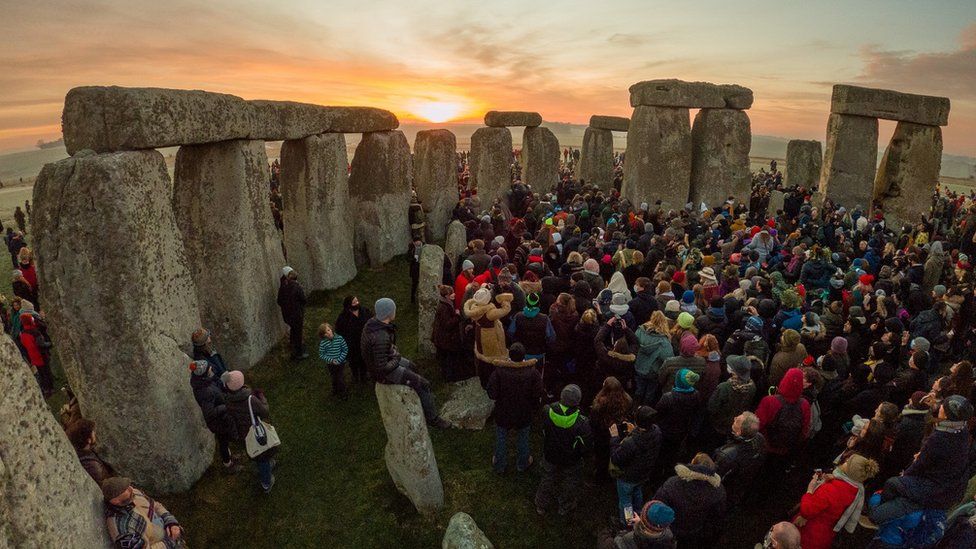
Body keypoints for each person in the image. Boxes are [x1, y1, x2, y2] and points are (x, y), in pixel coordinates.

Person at [868, 395, 972, 527]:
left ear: (945, 415)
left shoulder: (940, 437)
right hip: (948, 488)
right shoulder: (962, 431)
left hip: (933, 490)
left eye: (942, 407)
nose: (940, 407)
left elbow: (919, 465)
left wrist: (905, 475)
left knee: (891, 485)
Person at [362, 297, 450, 428]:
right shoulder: (380, 336)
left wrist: (392, 352)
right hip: (385, 373)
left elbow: (381, 351)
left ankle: (420, 396)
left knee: (412, 366)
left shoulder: (373, 324)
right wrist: (396, 358)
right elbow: (382, 368)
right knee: (424, 384)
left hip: (387, 358)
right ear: (388, 313)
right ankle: (433, 419)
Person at [793, 454, 880, 549]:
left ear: (851, 471)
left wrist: (810, 490)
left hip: (809, 533)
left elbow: (807, 510)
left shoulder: (833, 488)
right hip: (825, 534)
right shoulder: (855, 489)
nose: (845, 461)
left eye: (848, 462)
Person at [535, 384, 592, 516]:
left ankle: (541, 505)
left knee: (547, 478)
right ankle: (564, 506)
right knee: (570, 483)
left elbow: (543, 430)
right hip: (571, 459)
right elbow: (586, 446)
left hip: (550, 453)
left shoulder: (547, 411)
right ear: (577, 401)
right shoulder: (582, 422)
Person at [487, 342, 543, 473]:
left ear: (509, 355)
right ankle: (522, 464)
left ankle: (500, 465)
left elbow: (492, 394)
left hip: (503, 411)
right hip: (524, 411)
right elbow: (538, 392)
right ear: (525, 356)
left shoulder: (499, 372)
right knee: (523, 436)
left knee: (501, 437)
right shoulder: (533, 372)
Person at [653, 452, 727, 548]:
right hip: (694, 533)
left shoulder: (674, 483)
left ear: (692, 464)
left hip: (670, 528)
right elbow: (717, 518)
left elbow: (657, 504)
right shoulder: (718, 490)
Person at [223, 370, 278, 492]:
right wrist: (262, 398)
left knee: (255, 453)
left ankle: (265, 466)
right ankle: (266, 483)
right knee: (262, 456)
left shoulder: (227, 401)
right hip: (256, 433)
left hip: (243, 435)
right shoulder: (250, 399)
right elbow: (265, 412)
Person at [610, 405, 662, 523]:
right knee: (637, 492)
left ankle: (628, 522)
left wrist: (614, 439)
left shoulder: (631, 442)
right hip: (644, 474)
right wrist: (634, 431)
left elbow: (616, 458)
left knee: (626, 501)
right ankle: (638, 513)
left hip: (628, 477)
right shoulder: (657, 432)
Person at [188, 359, 240, 473]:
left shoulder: (203, 382)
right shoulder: (205, 391)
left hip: (220, 418)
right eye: (209, 369)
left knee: (224, 441)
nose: (211, 369)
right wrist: (225, 407)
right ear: (204, 373)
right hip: (218, 422)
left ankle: (229, 456)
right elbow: (209, 413)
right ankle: (228, 464)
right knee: (223, 441)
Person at [102, 477, 185, 548]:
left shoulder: (133, 493)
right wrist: (169, 543)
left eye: (128, 486)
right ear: (115, 501)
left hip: (165, 531)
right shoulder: (122, 531)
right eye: (125, 490)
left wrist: (170, 522)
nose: (131, 489)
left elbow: (155, 505)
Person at [756, 368, 810, 463]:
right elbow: (804, 431)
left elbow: (758, 425)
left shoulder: (769, 401)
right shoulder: (805, 404)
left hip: (766, 447)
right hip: (788, 449)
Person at [712, 411, 765, 507]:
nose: (734, 418)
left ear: (739, 432)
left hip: (727, 490)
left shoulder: (727, 455)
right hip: (742, 486)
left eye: (737, 421)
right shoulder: (760, 438)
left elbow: (716, 479)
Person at [598, 500, 677, 549]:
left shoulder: (626, 541)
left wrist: (606, 532)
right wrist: (640, 524)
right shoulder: (669, 538)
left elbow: (604, 544)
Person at [432, 284, 466, 382]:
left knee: (447, 358)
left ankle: (447, 376)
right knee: (448, 359)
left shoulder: (446, 304)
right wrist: (457, 316)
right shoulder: (444, 307)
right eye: (452, 293)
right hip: (445, 339)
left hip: (442, 338)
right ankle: (448, 378)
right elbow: (447, 325)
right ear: (447, 295)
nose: (454, 294)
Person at [66, 419, 116, 484]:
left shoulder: (78, 451)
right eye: (93, 432)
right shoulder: (93, 467)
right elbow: (106, 484)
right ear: (88, 440)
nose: (95, 433)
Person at [335, 296, 371, 384]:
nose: (357, 303)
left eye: (357, 301)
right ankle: (355, 376)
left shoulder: (365, 311)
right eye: (354, 302)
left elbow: (371, 322)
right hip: (351, 344)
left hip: (364, 341)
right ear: (348, 305)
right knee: (353, 361)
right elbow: (339, 331)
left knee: (364, 359)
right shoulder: (343, 317)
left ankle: (363, 376)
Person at [277, 266, 308, 360]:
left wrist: (286, 307)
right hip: (297, 314)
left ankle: (292, 345)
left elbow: (279, 301)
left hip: (287, 314)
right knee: (297, 332)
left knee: (293, 330)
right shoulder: (296, 286)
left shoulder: (282, 287)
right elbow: (303, 300)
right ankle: (298, 354)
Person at [19, 311, 53, 396]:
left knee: (41, 373)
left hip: (32, 356)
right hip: (41, 354)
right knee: (46, 372)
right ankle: (50, 388)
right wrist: (50, 344)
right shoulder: (35, 332)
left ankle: (45, 389)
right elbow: (41, 344)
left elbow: (23, 344)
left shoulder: (22, 333)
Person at [318, 323, 349, 399]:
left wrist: (339, 360)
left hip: (340, 363)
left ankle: (343, 392)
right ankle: (335, 389)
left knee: (340, 377)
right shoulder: (323, 343)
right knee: (333, 377)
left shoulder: (339, 338)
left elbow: (345, 350)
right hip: (330, 364)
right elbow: (322, 354)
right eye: (325, 333)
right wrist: (331, 360)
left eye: (328, 330)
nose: (328, 333)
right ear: (323, 335)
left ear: (331, 329)